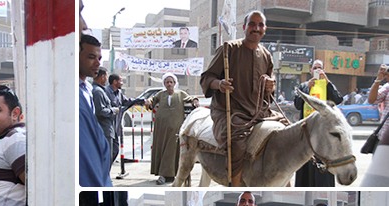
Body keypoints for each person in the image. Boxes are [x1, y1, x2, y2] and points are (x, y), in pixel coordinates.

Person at [200, 10, 287, 186]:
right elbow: (206, 78)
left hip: (259, 111)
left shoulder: (266, 55)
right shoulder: (228, 49)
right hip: (231, 111)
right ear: (244, 27)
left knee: (287, 131)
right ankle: (236, 183)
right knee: (238, 143)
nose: (256, 28)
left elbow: (269, 88)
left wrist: (271, 85)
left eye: (260, 25)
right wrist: (220, 84)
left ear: (265, 29)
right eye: (252, 24)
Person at [293, 59, 343, 187]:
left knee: (323, 169)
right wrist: (307, 89)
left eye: (320, 68)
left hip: (324, 134)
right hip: (307, 133)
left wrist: (327, 82)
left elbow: (338, 99)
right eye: (315, 68)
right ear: (310, 70)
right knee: (306, 164)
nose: (317, 70)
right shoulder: (303, 86)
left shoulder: (327, 85)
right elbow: (298, 105)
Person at [145, 72, 198, 185]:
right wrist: (148, 101)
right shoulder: (161, 94)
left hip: (175, 128)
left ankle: (166, 175)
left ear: (174, 83)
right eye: (167, 82)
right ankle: (164, 174)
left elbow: (190, 98)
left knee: (172, 150)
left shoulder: (180, 94)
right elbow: (152, 101)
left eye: (171, 82)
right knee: (162, 149)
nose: (169, 84)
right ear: (164, 84)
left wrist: (195, 100)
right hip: (161, 128)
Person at [79, 27, 112, 186]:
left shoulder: (88, 89)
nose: (97, 63)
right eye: (91, 57)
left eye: (99, 57)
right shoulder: (71, 92)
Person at [105, 73, 143, 163]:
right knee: (108, 152)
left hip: (116, 128)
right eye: (120, 81)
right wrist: (115, 110)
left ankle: (105, 172)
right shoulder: (106, 92)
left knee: (115, 151)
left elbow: (127, 102)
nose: (122, 83)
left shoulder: (119, 93)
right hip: (107, 127)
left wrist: (142, 101)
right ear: (114, 82)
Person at [92, 66, 119, 170]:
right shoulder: (97, 92)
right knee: (106, 157)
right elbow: (101, 111)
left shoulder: (100, 90)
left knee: (113, 150)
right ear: (102, 76)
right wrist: (113, 110)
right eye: (106, 76)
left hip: (109, 128)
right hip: (104, 129)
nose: (107, 78)